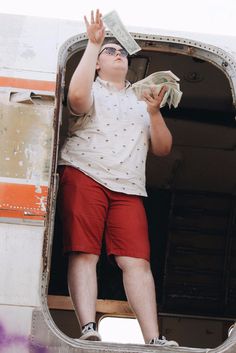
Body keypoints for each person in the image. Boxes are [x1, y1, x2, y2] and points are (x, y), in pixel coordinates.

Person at [58, 9, 178, 347]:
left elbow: (163, 148)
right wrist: (93, 45)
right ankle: (88, 327)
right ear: (98, 62)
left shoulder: (141, 99)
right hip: (85, 173)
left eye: (121, 51)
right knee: (84, 253)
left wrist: (154, 112)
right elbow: (77, 100)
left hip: (128, 187)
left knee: (137, 261)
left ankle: (154, 338)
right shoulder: (92, 86)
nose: (118, 54)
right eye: (110, 51)